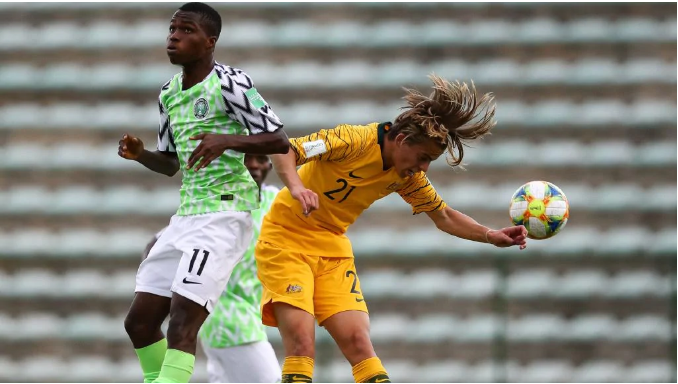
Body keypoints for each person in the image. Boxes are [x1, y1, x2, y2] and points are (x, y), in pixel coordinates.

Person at [195, 75, 528, 383]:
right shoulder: (352, 140)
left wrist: (489, 235)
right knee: (301, 342)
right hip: (285, 239)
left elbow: (443, 216)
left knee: (358, 342)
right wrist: (296, 188)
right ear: (400, 139)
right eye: (423, 157)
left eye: (429, 162)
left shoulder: (406, 176)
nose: (423, 167)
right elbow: (286, 149)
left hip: (332, 247)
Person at [117, 2, 289, 383]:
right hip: (187, 216)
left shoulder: (230, 82)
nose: (174, 36)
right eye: (172, 29)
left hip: (225, 215)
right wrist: (141, 154)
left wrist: (225, 140)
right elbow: (170, 163)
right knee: (139, 323)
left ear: (210, 42)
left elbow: (279, 139)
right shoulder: (169, 94)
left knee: (182, 324)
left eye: (187, 30)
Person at [142, 154, 282, 383]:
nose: (255, 165)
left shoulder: (274, 200)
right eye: (248, 159)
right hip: (229, 320)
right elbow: (155, 245)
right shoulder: (218, 201)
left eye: (262, 158)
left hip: (244, 316)